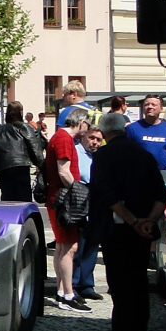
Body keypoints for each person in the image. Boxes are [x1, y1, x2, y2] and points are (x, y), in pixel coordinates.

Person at [87, 112, 166, 331]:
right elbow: (161, 194)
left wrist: (133, 221)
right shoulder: (143, 154)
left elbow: (107, 195)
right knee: (138, 280)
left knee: (120, 283)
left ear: (103, 133)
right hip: (143, 229)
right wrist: (149, 221)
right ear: (124, 129)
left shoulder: (104, 155)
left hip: (120, 228)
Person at [46, 106, 92, 311]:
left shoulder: (60, 137)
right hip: (63, 200)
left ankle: (61, 291)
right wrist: (77, 191)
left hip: (58, 198)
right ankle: (67, 294)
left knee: (63, 246)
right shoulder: (64, 139)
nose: (88, 129)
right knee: (69, 247)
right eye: (87, 125)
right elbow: (63, 171)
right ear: (80, 122)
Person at [0, 101, 45, 203]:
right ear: (21, 113)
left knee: (7, 199)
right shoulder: (26, 128)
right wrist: (44, 170)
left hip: (4, 170)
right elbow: (36, 150)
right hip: (21, 168)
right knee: (23, 200)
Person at [73, 125, 105, 300]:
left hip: (95, 201)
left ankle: (86, 284)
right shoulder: (76, 152)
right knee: (77, 246)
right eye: (92, 138)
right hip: (79, 199)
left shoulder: (99, 156)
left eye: (98, 140)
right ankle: (74, 283)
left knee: (92, 245)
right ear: (84, 137)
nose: (95, 142)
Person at [126, 95, 166, 170]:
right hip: (138, 174)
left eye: (153, 105)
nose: (149, 107)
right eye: (146, 104)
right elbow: (124, 153)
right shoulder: (132, 128)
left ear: (161, 109)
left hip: (163, 175)